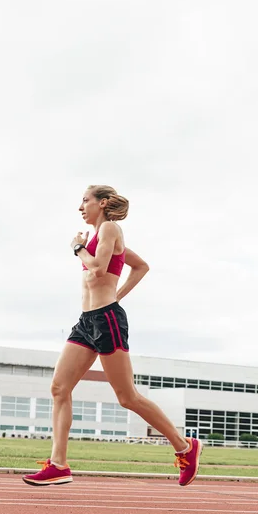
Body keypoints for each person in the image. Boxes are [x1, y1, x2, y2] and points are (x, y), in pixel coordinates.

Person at [22, 185, 202, 487]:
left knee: (126, 396)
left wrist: (77, 249)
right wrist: (115, 292)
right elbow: (140, 265)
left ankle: (185, 447)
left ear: (102, 203)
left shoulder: (109, 228)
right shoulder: (100, 235)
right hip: (86, 321)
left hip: (107, 320)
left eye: (85, 200)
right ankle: (59, 464)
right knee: (59, 387)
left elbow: (99, 270)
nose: (80, 206)